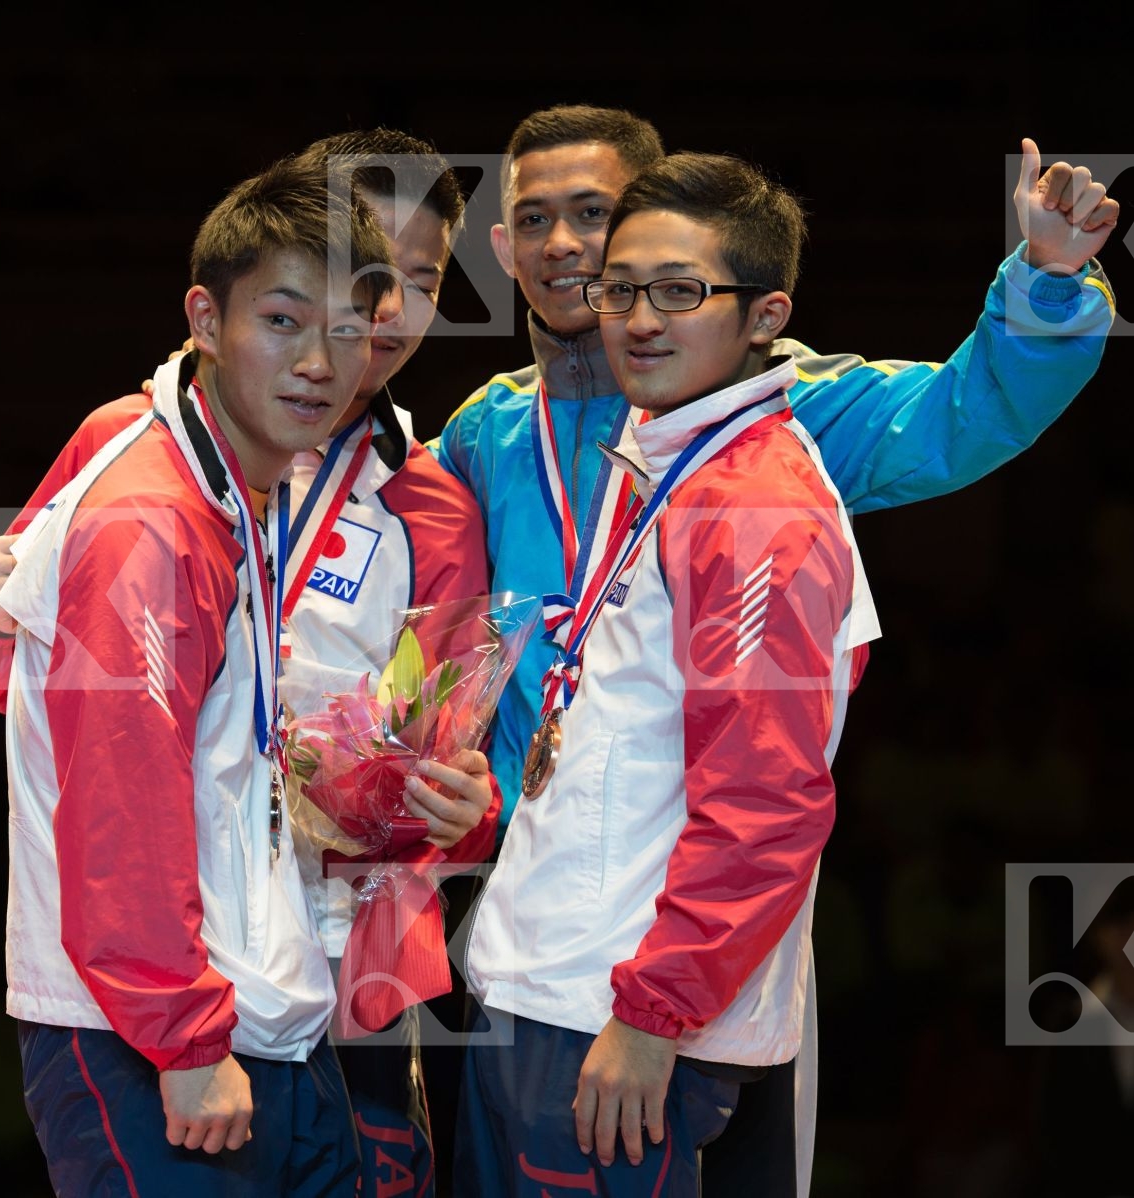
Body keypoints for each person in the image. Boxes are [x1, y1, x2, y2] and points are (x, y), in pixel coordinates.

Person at [428, 103, 1120, 1195]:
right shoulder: (481, 430)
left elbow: (960, 411)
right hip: (520, 912)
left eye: (595, 216)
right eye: (534, 220)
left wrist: (1044, 279)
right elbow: (403, 612)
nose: (565, 245)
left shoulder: (777, 414)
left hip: (694, 941)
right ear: (502, 249)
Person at [0, 130, 493, 1198]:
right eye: (335, 277)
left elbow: (448, 775)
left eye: (409, 282)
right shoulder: (145, 459)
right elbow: (28, 695)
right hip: (165, 988)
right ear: (224, 307)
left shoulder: (430, 507)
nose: (373, 318)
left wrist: (448, 803)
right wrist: (15, 613)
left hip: (336, 976)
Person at [459, 150, 878, 1197]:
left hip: (613, 1020)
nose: (639, 318)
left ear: (764, 314)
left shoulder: (758, 509)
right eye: (622, 287)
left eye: (682, 292)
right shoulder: (666, 463)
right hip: (553, 986)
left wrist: (655, 1015)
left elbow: (768, 802)